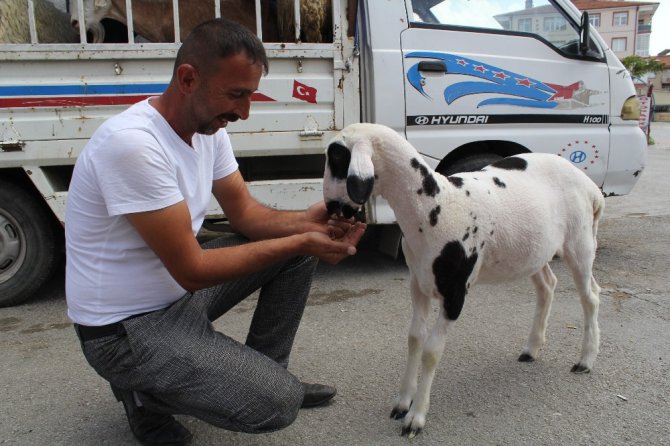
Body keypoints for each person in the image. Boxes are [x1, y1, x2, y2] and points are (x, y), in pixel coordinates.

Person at [65, 17, 366, 446]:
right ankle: (144, 395)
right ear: (188, 78)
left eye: (250, 96)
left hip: (173, 301)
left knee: (294, 253)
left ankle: (259, 374)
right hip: (124, 331)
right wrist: (300, 238)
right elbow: (192, 269)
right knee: (278, 405)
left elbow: (245, 214)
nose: (243, 113)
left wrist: (310, 220)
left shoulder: (208, 129)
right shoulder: (133, 144)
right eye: (236, 95)